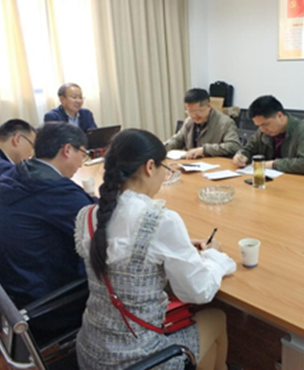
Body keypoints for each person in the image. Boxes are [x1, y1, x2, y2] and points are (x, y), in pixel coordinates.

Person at [74, 129, 236, 370]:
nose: (164, 176)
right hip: (137, 359)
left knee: (207, 348)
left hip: (91, 351)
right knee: (216, 318)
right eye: (165, 168)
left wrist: (177, 246)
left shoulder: (86, 216)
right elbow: (198, 292)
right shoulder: (160, 220)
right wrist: (215, 257)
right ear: (150, 167)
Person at [0, 122, 94, 334]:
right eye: (83, 154)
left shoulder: (15, 174)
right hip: (44, 305)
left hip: (7, 295)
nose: (81, 163)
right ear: (67, 150)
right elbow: (101, 229)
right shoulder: (56, 191)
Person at [233, 95, 304, 175]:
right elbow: (248, 149)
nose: (262, 129)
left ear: (280, 116)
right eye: (258, 126)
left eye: (265, 124)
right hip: (275, 180)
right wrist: (241, 156)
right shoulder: (262, 131)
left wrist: (273, 164)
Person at [164, 88, 241, 159]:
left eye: (197, 111)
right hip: (192, 163)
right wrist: (163, 148)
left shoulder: (225, 122)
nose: (193, 116)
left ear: (208, 106)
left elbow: (234, 146)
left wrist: (204, 150)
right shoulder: (189, 121)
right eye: (190, 112)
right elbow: (178, 140)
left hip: (214, 164)